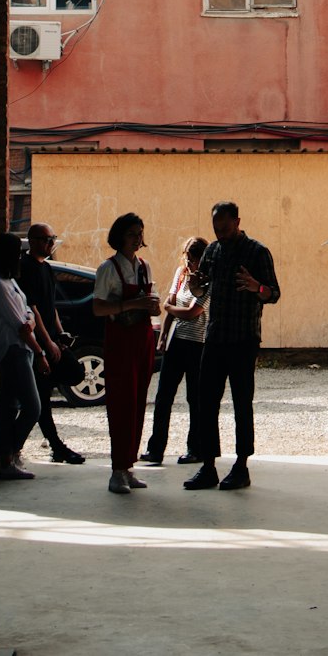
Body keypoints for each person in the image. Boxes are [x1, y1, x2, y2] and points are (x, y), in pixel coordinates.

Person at [183, 200, 281, 492]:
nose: (220, 233)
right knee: (206, 402)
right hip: (215, 337)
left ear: (238, 222)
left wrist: (256, 287)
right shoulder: (212, 250)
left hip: (243, 339)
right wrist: (195, 284)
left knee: (241, 403)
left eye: (225, 227)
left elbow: (274, 293)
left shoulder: (257, 252)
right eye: (216, 228)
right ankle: (209, 465)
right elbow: (201, 290)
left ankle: (241, 466)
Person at [92, 212, 160, 495]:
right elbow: (98, 308)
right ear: (120, 236)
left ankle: (128, 465)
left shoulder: (144, 267)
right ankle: (116, 469)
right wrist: (130, 305)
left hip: (142, 338)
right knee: (121, 402)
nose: (137, 238)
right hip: (120, 340)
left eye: (140, 233)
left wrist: (152, 308)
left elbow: (151, 303)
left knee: (138, 402)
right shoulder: (108, 269)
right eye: (132, 233)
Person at [18, 222, 85, 465]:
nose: (51, 243)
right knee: (41, 401)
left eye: (52, 238)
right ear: (33, 240)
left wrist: (60, 333)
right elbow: (33, 309)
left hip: (51, 338)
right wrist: (46, 343)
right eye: (47, 239)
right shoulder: (25, 268)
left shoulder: (46, 268)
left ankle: (50, 446)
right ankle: (54, 446)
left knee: (75, 372)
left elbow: (50, 305)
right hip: (37, 340)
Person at [139, 236, 209, 466]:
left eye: (194, 260)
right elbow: (170, 305)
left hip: (198, 344)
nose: (190, 264)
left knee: (195, 398)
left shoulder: (208, 282)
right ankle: (156, 449)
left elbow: (191, 312)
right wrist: (163, 336)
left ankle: (195, 448)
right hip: (176, 341)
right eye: (187, 259)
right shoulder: (181, 275)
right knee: (163, 397)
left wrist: (170, 307)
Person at [0, 231, 50, 481]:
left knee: (10, 406)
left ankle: (6, 460)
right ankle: (11, 453)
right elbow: (20, 326)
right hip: (13, 351)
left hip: (21, 350)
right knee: (33, 407)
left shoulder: (10, 282)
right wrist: (40, 352)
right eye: (17, 252)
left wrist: (30, 323)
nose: (21, 256)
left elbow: (28, 317)